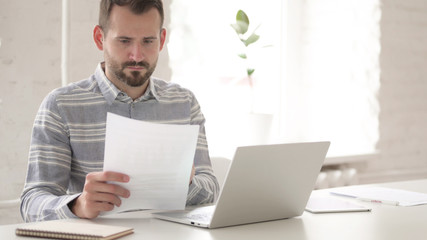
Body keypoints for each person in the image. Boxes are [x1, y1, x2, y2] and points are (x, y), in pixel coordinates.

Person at [20, 0, 219, 222]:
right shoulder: (60, 106)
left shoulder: (184, 102)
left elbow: (211, 187)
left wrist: (188, 184)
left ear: (162, 40)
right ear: (99, 38)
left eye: (148, 41)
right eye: (124, 41)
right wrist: (79, 204)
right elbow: (32, 202)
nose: (137, 55)